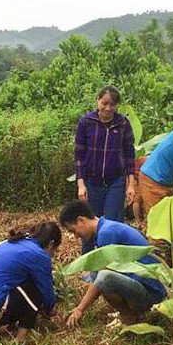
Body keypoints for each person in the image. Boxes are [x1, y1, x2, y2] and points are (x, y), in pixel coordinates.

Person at [59, 200, 166, 327]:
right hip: (141, 283)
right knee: (95, 270)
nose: (76, 236)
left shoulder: (106, 233)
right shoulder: (106, 227)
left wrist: (80, 309)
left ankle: (129, 317)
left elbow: (102, 277)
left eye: (73, 230)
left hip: (151, 293)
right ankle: (130, 311)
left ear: (81, 220)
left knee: (104, 277)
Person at [0, 222, 61, 341]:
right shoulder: (39, 255)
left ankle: (7, 324)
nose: (53, 255)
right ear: (51, 244)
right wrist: (50, 309)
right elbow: (46, 291)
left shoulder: (11, 242)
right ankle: (20, 337)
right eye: (55, 251)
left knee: (18, 283)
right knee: (35, 288)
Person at [74, 86, 136, 252]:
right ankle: (89, 263)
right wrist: (81, 184)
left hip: (115, 182)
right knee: (88, 223)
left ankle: (112, 264)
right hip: (92, 182)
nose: (108, 108)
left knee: (112, 223)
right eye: (105, 103)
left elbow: (130, 155)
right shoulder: (86, 122)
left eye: (113, 104)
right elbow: (79, 155)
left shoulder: (123, 124)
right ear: (98, 101)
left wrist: (131, 184)